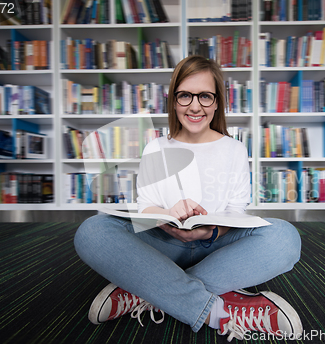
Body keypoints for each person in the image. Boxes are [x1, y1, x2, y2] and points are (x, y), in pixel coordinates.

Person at [74, 55, 303, 341]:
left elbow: (236, 211)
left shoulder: (234, 149)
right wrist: (166, 214)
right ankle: (217, 309)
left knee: (285, 237)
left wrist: (213, 229)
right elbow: (146, 205)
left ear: (217, 102)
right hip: (163, 242)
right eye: (185, 96)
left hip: (217, 245)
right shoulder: (156, 146)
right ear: (173, 101)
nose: (195, 106)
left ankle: (148, 289)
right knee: (93, 231)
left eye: (205, 96)